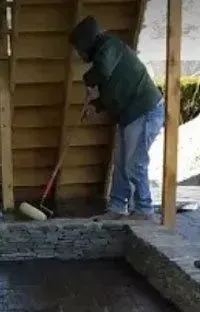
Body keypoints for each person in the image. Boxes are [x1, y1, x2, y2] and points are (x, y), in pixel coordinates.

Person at [69, 16, 164, 221]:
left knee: (135, 163)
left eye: (79, 49)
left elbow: (102, 70)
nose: (79, 54)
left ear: (87, 43)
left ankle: (144, 210)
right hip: (130, 115)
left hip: (145, 111)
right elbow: (113, 90)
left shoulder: (109, 46)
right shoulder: (105, 55)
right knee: (121, 163)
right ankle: (118, 207)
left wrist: (87, 81)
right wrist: (95, 106)